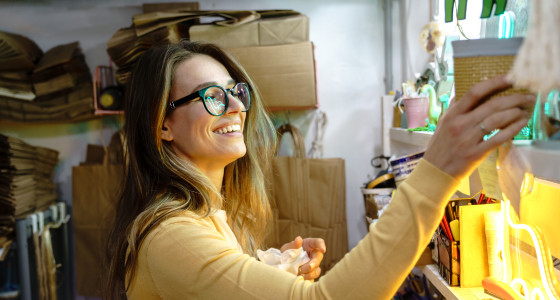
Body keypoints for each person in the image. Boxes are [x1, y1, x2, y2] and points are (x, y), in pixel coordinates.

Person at [105, 40, 535, 299]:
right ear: (162, 123)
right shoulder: (172, 234)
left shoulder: (202, 215)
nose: (237, 106)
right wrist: (437, 168)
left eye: (236, 92)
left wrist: (270, 270)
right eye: (212, 97)